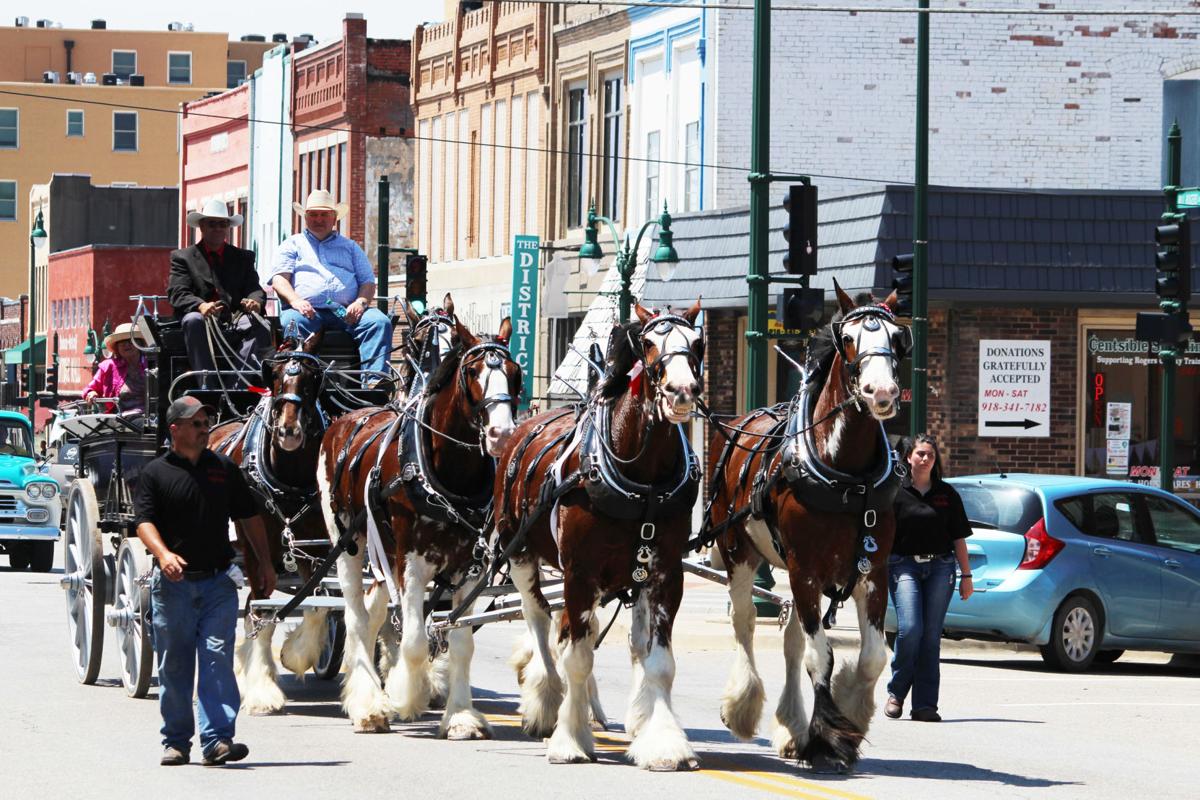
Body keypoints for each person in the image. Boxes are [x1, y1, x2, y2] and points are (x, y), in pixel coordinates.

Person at [134, 396, 276, 766]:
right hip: (174, 587)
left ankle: (217, 741)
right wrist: (163, 555)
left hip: (217, 583)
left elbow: (249, 517)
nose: (203, 429)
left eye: (206, 422)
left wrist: (266, 563)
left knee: (216, 659)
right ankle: (177, 741)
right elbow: (144, 522)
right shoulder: (155, 473)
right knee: (175, 664)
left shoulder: (224, 469)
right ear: (175, 430)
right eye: (195, 424)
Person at [885, 434, 974, 723]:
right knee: (910, 629)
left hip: (941, 568)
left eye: (931, 456)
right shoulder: (895, 491)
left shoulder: (947, 494)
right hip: (903, 566)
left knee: (931, 637)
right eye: (920, 454)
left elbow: (959, 537)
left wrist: (967, 575)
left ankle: (925, 705)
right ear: (909, 457)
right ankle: (897, 693)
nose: (925, 459)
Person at [269, 189, 392, 379]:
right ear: (306, 218)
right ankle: (300, 381)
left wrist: (360, 302)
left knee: (379, 322)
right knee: (293, 322)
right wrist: (295, 301)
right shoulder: (292, 244)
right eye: (314, 214)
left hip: (346, 311)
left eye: (324, 214)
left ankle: (374, 384)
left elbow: (367, 282)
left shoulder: (350, 247)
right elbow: (279, 279)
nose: (319, 219)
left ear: (334, 218)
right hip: (306, 312)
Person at [169, 199, 272, 379]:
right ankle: (206, 381)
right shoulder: (183, 257)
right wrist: (200, 306)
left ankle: (240, 382)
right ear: (202, 226)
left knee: (261, 324)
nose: (217, 228)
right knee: (193, 320)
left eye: (222, 224)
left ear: (227, 227)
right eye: (212, 224)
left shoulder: (243, 257)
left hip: (235, 317)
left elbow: (254, 288)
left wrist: (255, 302)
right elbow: (177, 292)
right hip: (202, 317)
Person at [83, 323, 148, 413]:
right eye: (122, 343)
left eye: (130, 341)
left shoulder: (151, 365)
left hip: (150, 417)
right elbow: (90, 389)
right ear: (117, 347)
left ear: (139, 344)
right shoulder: (108, 366)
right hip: (120, 418)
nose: (126, 345)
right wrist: (92, 393)